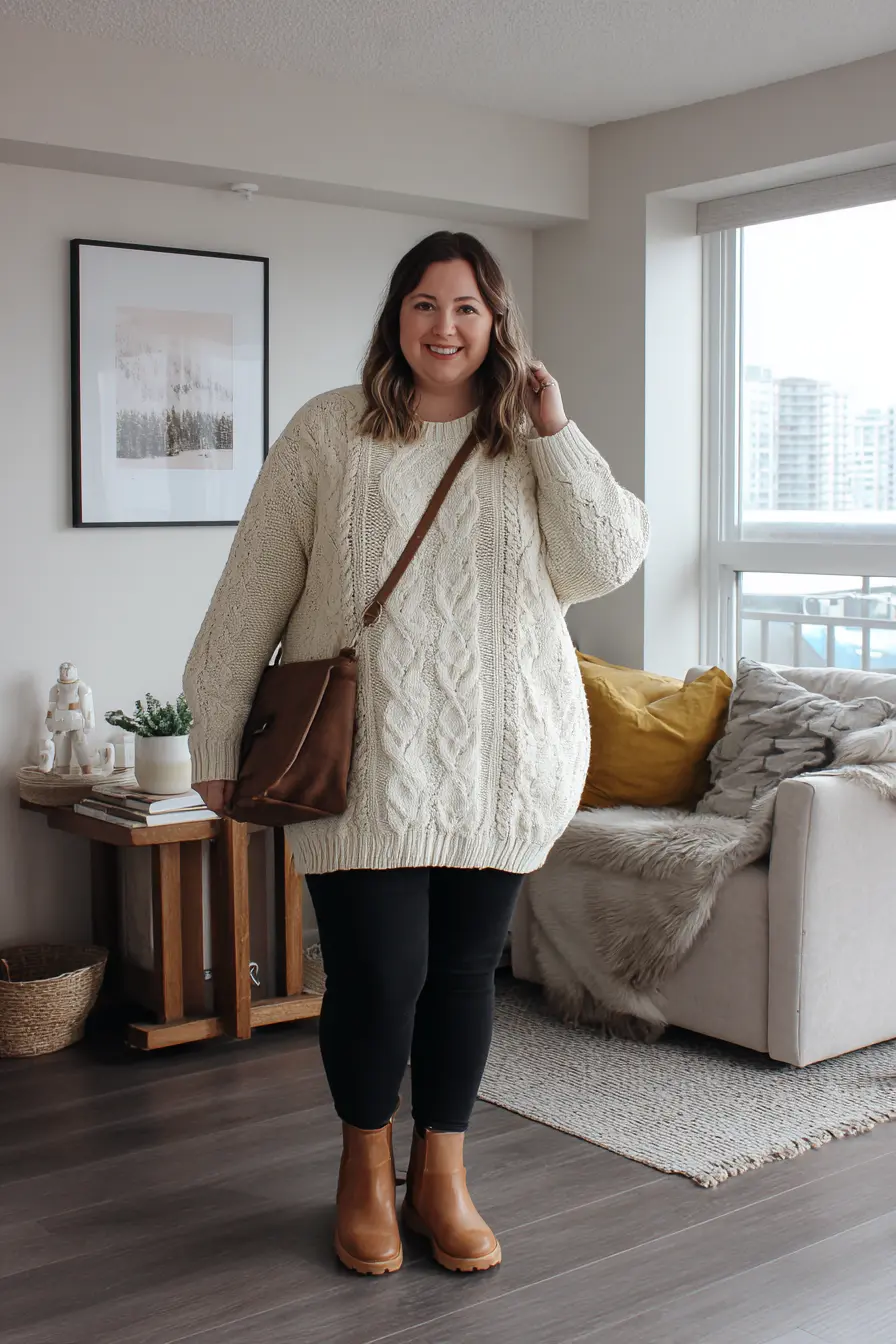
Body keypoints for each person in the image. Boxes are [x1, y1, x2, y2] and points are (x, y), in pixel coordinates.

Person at [183, 230, 649, 1277]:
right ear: (397, 317)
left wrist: (557, 430)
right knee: (377, 974)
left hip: (499, 753)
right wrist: (214, 730)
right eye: (425, 305)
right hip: (360, 763)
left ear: (497, 327)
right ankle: (362, 1171)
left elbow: (607, 560)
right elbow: (250, 588)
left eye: (467, 309)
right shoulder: (328, 434)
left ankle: (441, 1176)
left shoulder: (526, 442)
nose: (445, 327)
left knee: (460, 977)